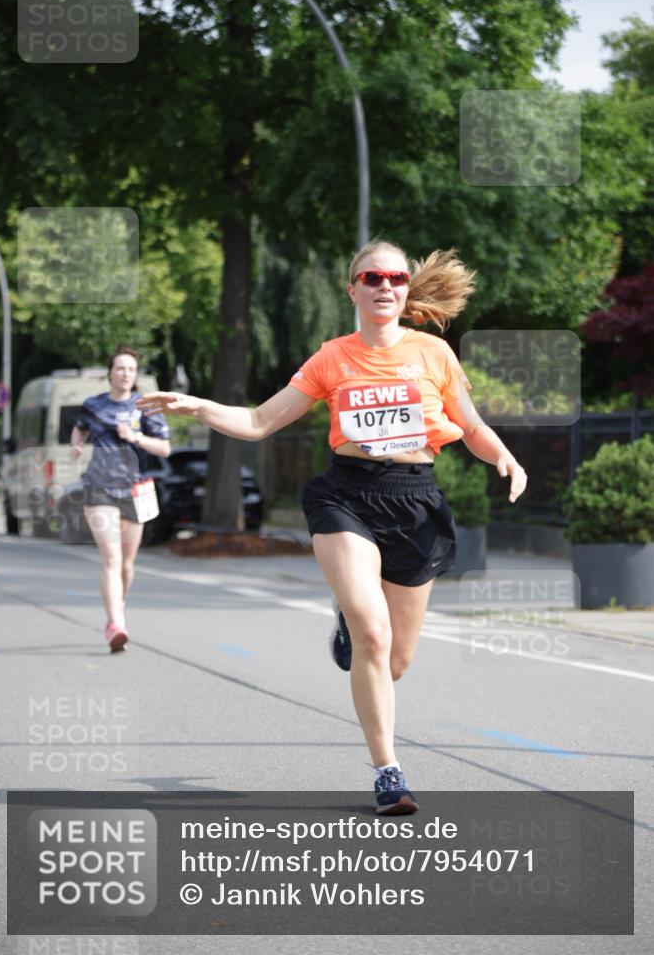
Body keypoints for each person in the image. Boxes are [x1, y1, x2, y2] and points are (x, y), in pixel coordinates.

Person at [137, 241, 527, 813]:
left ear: (404, 287)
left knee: (395, 660)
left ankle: (352, 613)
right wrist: (196, 405)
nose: (385, 285)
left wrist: (505, 457)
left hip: (414, 499)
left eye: (395, 276)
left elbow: (470, 426)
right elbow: (258, 420)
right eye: (372, 277)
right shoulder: (332, 358)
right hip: (346, 496)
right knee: (373, 633)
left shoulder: (434, 354)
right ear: (354, 289)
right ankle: (388, 771)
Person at [70, 344, 171, 652]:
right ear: (110, 373)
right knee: (111, 559)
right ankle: (115, 625)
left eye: (131, 369)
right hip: (99, 487)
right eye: (120, 368)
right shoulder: (93, 405)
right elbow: (79, 430)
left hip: (135, 489)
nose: (125, 373)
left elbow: (165, 449)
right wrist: (76, 446)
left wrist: (136, 437)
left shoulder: (146, 407)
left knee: (127, 565)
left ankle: (118, 606)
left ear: (135, 375)